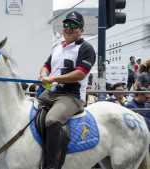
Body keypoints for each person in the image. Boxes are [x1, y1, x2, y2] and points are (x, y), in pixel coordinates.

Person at [38, 11, 96, 169]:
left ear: (81, 30)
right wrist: (43, 75)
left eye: (74, 26)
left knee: (52, 120)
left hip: (71, 96)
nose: (69, 28)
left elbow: (80, 74)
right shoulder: (57, 46)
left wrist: (53, 79)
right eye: (66, 25)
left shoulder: (86, 48)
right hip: (50, 93)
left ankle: (51, 164)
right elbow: (46, 66)